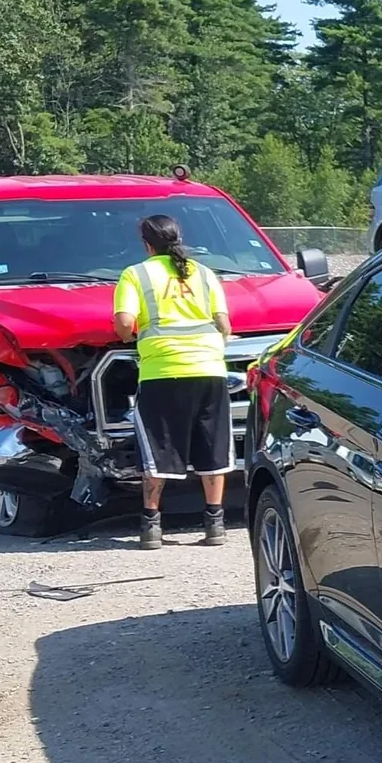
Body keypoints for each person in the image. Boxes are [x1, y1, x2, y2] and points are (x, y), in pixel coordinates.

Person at [112, 215, 233, 549]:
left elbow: (124, 325)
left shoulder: (135, 274)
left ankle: (151, 526)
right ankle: (215, 523)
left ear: (146, 245)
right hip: (210, 369)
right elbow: (224, 325)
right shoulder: (205, 273)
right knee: (213, 447)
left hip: (162, 372)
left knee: (158, 450)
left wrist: (130, 335)